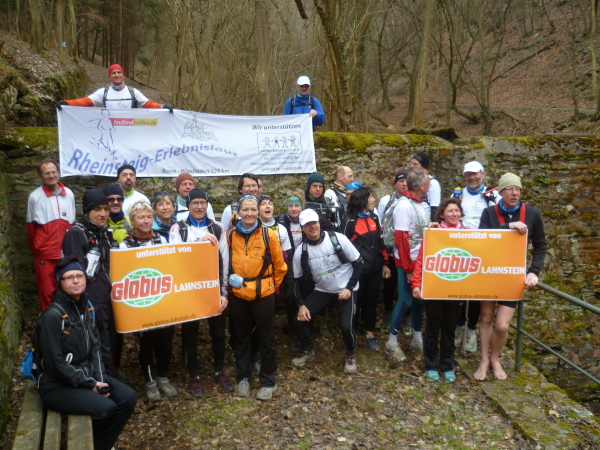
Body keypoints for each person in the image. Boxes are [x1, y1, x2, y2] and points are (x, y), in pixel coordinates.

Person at [36, 256, 136, 450]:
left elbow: (95, 347)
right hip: (56, 385)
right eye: (69, 277)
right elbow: (55, 364)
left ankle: (100, 445)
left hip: (85, 374)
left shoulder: (87, 308)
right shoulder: (53, 316)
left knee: (128, 398)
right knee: (106, 408)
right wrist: (90, 385)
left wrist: (100, 380)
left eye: (79, 276)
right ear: (60, 282)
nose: (75, 281)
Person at [474, 172, 546, 381]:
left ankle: (495, 359)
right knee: (486, 318)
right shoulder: (489, 213)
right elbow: (482, 239)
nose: (514, 193)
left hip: (512, 277)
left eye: (518, 189)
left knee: (502, 325)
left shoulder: (531, 213)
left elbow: (541, 245)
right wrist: (507, 227)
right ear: (500, 192)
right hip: (489, 273)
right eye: (509, 189)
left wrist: (533, 271)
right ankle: (483, 361)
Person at [169, 189, 232, 397]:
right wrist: (198, 245)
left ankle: (219, 370)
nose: (199, 207)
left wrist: (223, 292)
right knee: (190, 334)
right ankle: (193, 375)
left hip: (213, 289)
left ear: (207, 205)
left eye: (202, 203)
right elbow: (175, 260)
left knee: (218, 333)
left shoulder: (218, 228)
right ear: (188, 205)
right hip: (189, 290)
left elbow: (224, 261)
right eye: (194, 203)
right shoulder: (178, 228)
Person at [227, 194, 287, 401]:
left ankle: (268, 381)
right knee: (241, 336)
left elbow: (280, 266)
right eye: (245, 209)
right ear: (239, 212)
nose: (250, 213)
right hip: (238, 294)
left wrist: (271, 286)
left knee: (266, 337)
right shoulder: (230, 235)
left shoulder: (269, 235)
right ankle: (243, 377)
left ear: (259, 211)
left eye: (253, 209)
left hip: (264, 294)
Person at [292, 209, 364, 374]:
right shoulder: (301, 251)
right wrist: (301, 305)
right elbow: (296, 281)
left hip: (346, 288)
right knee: (299, 319)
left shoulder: (338, 239)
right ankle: (308, 350)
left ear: (319, 223)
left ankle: (350, 354)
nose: (312, 227)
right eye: (307, 224)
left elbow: (359, 262)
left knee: (346, 326)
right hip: (323, 290)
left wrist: (349, 287)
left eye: (314, 222)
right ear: (303, 228)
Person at [118, 202, 177, 401]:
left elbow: (170, 266)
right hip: (141, 302)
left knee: (165, 342)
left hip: (163, 299)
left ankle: (163, 376)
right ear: (132, 220)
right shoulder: (125, 245)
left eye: (149, 217)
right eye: (141, 217)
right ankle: (150, 380)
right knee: (147, 344)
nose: (146, 221)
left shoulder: (161, 240)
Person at [62, 189, 120, 376]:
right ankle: (102, 377)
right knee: (98, 338)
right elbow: (74, 273)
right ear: (87, 212)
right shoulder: (76, 233)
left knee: (111, 335)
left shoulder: (105, 232)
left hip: (109, 294)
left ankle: (110, 372)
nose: (103, 214)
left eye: (105, 209)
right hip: (91, 297)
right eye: (97, 209)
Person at [411, 198, 466, 382]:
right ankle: (431, 365)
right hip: (434, 287)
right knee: (432, 327)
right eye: (450, 211)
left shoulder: (468, 233)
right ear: (442, 214)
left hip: (457, 288)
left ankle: (447, 365)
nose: (454, 214)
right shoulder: (433, 233)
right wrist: (416, 284)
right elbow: (421, 259)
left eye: (457, 210)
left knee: (450, 329)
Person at [452, 161, 499, 353]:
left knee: (477, 293)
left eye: (475, 174)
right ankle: (459, 327)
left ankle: (471, 330)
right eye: (468, 174)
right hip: (462, 250)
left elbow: (499, 220)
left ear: (483, 174)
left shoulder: (492, 195)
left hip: (484, 250)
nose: (472, 178)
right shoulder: (458, 195)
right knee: (459, 290)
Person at [386, 169, 431, 362]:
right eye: (428, 184)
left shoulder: (421, 204)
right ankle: (391, 342)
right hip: (409, 262)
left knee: (419, 300)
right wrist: (408, 269)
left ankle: (417, 338)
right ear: (421, 186)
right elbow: (401, 238)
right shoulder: (404, 206)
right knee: (406, 300)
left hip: (422, 261)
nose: (429, 187)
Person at [339, 187, 390, 352]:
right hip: (357, 272)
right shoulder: (349, 221)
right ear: (362, 200)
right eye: (371, 197)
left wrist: (385, 263)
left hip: (374, 270)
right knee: (356, 303)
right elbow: (340, 247)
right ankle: (351, 334)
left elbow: (380, 242)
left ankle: (369, 334)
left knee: (371, 302)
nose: (374, 200)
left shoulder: (374, 217)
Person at [26, 159, 76, 311]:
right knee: (47, 293)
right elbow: (31, 227)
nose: (51, 176)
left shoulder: (69, 194)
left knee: (70, 290)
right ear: (40, 176)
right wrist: (37, 249)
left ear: (58, 173)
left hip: (66, 253)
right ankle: (48, 322)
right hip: (45, 254)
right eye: (47, 173)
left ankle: (69, 321)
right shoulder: (35, 197)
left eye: (54, 172)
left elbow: (72, 223)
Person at [59, 64, 171, 111]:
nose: (117, 75)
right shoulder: (103, 92)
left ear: (123, 75)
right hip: (111, 132)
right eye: (113, 73)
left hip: (130, 131)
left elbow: (148, 104)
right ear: (109, 76)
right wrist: (67, 103)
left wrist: (162, 107)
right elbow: (86, 101)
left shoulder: (133, 92)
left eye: (119, 72)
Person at [377, 170, 408, 330]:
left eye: (407, 181)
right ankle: (389, 313)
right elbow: (380, 224)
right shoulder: (386, 201)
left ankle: (407, 317)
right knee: (389, 284)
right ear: (395, 183)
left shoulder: (414, 201)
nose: (404, 184)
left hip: (407, 252)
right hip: (390, 251)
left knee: (409, 284)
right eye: (401, 181)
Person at [277, 191, 306, 347]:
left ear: (302, 207)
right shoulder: (280, 222)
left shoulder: (307, 221)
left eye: (297, 206)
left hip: (306, 264)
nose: (294, 209)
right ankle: (294, 332)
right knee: (291, 298)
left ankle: (305, 328)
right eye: (291, 206)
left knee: (305, 295)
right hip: (289, 265)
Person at [410, 152, 441, 220]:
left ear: (423, 167)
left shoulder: (433, 183)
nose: (411, 166)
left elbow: (435, 208)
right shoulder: (410, 180)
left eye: (415, 164)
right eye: (411, 163)